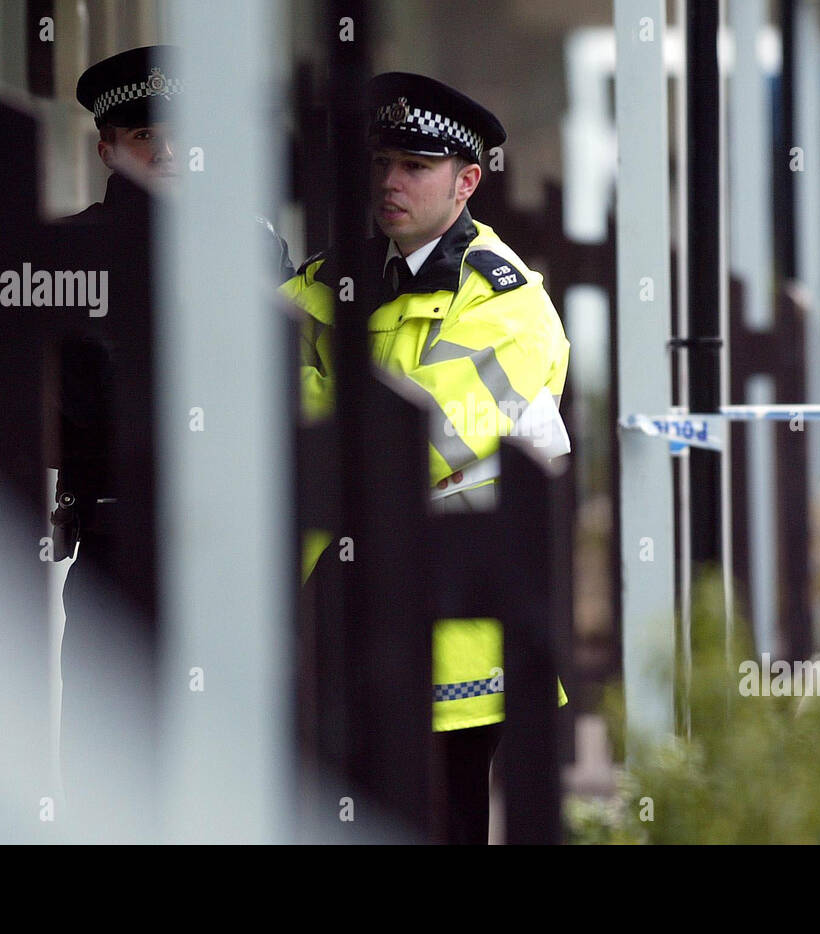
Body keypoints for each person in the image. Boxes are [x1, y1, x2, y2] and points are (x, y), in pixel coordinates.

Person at [283, 72, 571, 844]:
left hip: (454, 645)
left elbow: (430, 432)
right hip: (330, 619)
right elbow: (270, 408)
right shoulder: (323, 280)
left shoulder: (509, 301)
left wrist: (328, 409)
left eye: (414, 166)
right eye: (381, 162)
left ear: (466, 180)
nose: (389, 181)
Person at [52, 45, 291, 834]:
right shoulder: (72, 249)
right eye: (143, 132)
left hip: (232, 542)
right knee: (110, 747)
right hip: (120, 529)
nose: (168, 149)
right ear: (107, 148)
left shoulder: (255, 243)